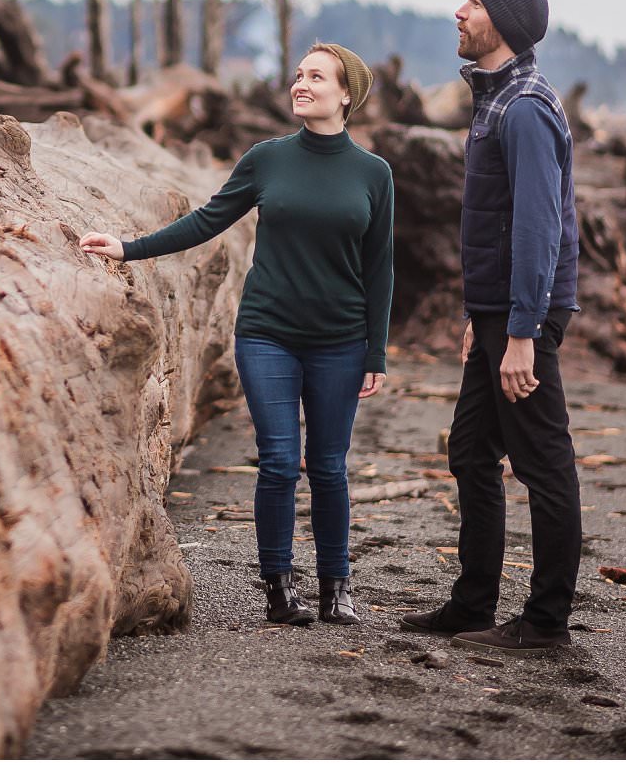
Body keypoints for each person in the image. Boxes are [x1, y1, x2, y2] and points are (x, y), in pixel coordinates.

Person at [80, 43, 394, 627]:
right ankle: (278, 586)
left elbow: (380, 267)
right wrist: (128, 248)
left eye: (316, 77)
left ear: (347, 93)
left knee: (328, 466)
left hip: (341, 342)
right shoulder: (267, 159)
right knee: (278, 461)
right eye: (298, 75)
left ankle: (336, 587)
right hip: (268, 333)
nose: (301, 84)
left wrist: (375, 348)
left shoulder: (374, 175)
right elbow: (207, 219)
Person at [401, 0, 583, 654]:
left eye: (471, 4)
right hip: (499, 315)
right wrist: (482, 322)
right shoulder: (498, 100)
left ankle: (546, 622)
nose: (458, 12)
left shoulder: (526, 107)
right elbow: (498, 225)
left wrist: (521, 334)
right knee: (472, 451)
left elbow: (538, 229)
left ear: (500, 20)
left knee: (543, 462)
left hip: (523, 316)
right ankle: (473, 604)